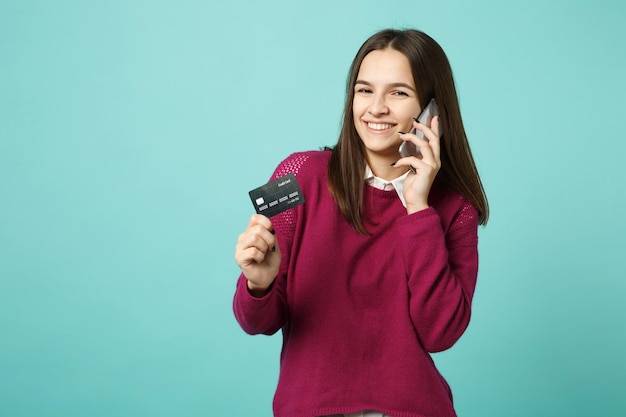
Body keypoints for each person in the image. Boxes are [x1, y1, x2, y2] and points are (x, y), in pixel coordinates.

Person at [233, 28, 489, 417]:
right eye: (365, 90)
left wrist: (418, 208)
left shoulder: (455, 206)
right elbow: (256, 323)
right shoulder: (298, 175)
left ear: (432, 110)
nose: (376, 108)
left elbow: (441, 333)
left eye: (399, 93)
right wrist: (258, 283)